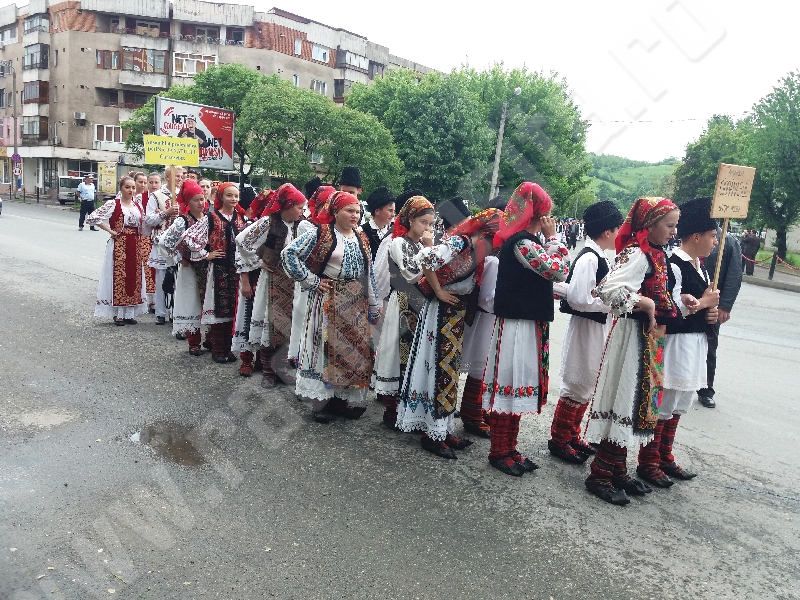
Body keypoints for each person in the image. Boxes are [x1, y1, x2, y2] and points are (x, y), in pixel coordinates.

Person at [583, 197, 680, 506]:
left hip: (649, 339)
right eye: (669, 225)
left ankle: (618, 469)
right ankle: (599, 473)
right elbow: (606, 289)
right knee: (625, 402)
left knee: (637, 405)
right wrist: (644, 302)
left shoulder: (656, 253)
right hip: (633, 338)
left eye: (675, 225)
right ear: (650, 225)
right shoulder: (638, 254)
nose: (673, 231)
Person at [480, 183, 570, 476]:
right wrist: (554, 238)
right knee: (511, 381)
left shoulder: (526, 242)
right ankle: (499, 450)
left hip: (525, 322)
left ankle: (509, 446)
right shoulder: (523, 243)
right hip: (516, 325)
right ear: (539, 215)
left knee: (517, 385)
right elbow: (558, 269)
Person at [396, 209, 502, 459]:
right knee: (440, 367)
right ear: (486, 234)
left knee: (449, 370)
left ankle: (442, 428)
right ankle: (432, 433)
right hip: (442, 311)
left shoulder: (474, 248)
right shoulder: (460, 242)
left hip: (454, 311)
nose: (497, 246)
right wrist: (439, 291)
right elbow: (426, 258)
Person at [640, 197, 720, 484]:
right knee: (666, 401)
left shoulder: (701, 266)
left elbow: (698, 308)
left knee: (680, 402)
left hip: (694, 342)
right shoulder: (673, 264)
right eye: (712, 236)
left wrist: (709, 313)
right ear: (696, 236)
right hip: (676, 342)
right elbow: (671, 309)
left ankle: (665, 455)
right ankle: (648, 461)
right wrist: (703, 303)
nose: (715, 242)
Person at [281, 191, 380, 422]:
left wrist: (373, 305)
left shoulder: (361, 237)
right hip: (327, 300)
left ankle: (339, 401)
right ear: (335, 211)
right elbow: (289, 254)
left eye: (357, 211)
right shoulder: (321, 233)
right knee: (322, 350)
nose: (355, 215)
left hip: (354, 304)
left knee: (348, 352)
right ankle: (320, 403)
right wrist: (312, 280)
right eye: (349, 210)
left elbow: (369, 273)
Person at [549, 201, 624, 465]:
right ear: (607, 231)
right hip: (587, 328)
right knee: (578, 382)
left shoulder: (598, 256)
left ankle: (571, 433)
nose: (619, 234)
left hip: (596, 326)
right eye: (617, 229)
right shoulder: (590, 258)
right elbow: (580, 298)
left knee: (588, 380)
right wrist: (611, 304)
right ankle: (559, 438)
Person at [236, 183, 312, 384]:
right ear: (287, 206)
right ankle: (268, 371)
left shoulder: (301, 224)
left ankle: (282, 368)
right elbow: (242, 240)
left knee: (289, 324)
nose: (302, 211)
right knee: (270, 324)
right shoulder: (269, 222)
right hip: (272, 280)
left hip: (293, 283)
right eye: (299, 207)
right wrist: (258, 262)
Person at [373, 196, 436, 430]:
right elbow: (412, 274)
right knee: (398, 355)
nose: (427, 228)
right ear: (410, 220)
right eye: (423, 222)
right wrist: (430, 250)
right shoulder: (398, 243)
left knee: (414, 357)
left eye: (431, 224)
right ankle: (392, 410)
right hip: (402, 304)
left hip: (420, 305)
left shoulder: (419, 245)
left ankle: (410, 409)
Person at [181, 183, 248, 363]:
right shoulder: (211, 217)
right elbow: (188, 237)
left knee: (233, 309)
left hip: (236, 269)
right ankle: (218, 349)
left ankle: (229, 348)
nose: (233, 199)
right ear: (221, 197)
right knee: (219, 310)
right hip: (219, 268)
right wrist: (206, 254)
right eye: (229, 195)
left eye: (236, 196)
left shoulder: (241, 217)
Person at [85, 176, 147, 325]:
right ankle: (118, 314)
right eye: (127, 187)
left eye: (133, 187)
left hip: (135, 244)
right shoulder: (114, 204)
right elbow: (92, 218)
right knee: (119, 276)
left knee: (133, 276)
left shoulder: (137, 205)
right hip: (119, 244)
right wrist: (110, 231)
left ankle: (129, 313)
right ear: (121, 188)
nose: (131, 190)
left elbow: (144, 224)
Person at [697, 217, 742, 408]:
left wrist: (725, 306)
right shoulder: (691, 234)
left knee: (709, 347)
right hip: (690, 300)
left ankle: (706, 389)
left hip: (713, 305)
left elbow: (734, 275)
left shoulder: (728, 241)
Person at [160, 180, 208, 354]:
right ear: (188, 202)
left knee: (207, 302)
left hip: (207, 266)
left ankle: (210, 339)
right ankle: (193, 342)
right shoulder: (183, 221)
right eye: (196, 200)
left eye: (202, 199)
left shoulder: (209, 217)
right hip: (190, 268)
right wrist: (180, 258)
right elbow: (165, 242)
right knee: (191, 302)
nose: (201, 203)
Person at [141, 172, 180, 325]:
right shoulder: (156, 196)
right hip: (161, 242)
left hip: (179, 242)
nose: (180, 178)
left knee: (178, 278)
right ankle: (161, 312)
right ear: (168, 177)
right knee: (162, 277)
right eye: (177, 176)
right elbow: (149, 219)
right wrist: (166, 213)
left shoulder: (183, 195)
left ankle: (175, 312)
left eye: (181, 176)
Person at [360, 187, 396, 260]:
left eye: (394, 211)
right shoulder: (362, 231)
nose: (393, 215)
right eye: (390, 210)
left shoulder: (393, 230)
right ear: (377, 211)